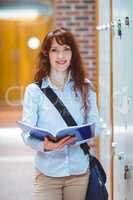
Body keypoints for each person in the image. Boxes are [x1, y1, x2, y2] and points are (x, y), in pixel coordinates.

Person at [21, 27, 100, 200]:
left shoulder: (85, 87)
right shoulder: (34, 91)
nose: (61, 56)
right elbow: (27, 132)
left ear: (73, 54)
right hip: (47, 171)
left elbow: (96, 125)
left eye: (66, 49)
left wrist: (79, 136)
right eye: (54, 50)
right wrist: (45, 145)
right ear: (47, 54)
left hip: (79, 171)